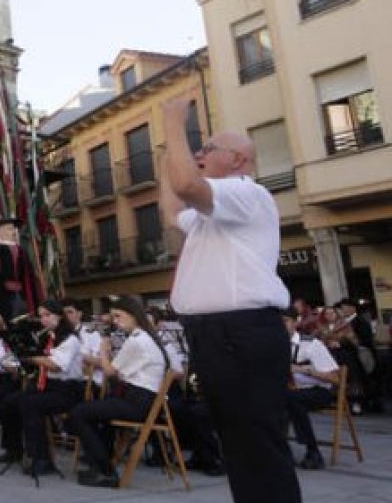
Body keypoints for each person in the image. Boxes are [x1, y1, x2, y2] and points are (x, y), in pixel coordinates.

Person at [160, 97, 299, 502]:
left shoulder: (244, 193)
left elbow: (186, 186)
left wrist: (173, 124)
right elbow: (172, 210)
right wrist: (172, 148)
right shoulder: (213, 215)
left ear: (237, 159)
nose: (200, 155)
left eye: (207, 149)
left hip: (241, 333)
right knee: (239, 446)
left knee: (257, 447)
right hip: (218, 336)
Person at [70, 296, 169, 488]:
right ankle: (99, 465)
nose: (115, 321)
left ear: (133, 315)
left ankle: (106, 472)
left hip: (138, 402)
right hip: (142, 399)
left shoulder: (137, 340)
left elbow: (109, 371)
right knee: (99, 412)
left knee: (78, 414)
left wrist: (104, 349)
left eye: (118, 316)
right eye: (113, 316)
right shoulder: (144, 337)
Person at [0, 299, 85, 476]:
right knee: (9, 401)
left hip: (68, 390)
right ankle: (14, 450)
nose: (43, 319)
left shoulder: (70, 339)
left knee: (30, 403)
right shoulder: (49, 336)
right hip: (49, 386)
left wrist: (30, 357)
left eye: (47, 315)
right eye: (41, 315)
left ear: (59, 316)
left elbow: (56, 365)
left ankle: (42, 459)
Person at [282, 308, 340, 470]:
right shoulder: (274, 346)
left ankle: (312, 451)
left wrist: (305, 370)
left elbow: (335, 378)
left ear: (295, 322)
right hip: (290, 394)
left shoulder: (311, 344)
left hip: (318, 391)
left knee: (290, 399)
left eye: (284, 321)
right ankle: (285, 450)